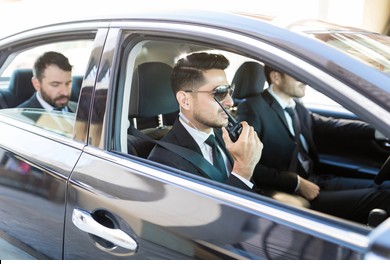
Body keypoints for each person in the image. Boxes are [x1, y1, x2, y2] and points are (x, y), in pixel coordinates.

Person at [236, 64, 390, 224]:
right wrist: (296, 182)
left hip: (316, 179)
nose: (305, 81)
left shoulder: (295, 107)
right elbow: (247, 163)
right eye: (296, 75)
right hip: (291, 190)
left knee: (384, 186)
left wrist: (379, 130)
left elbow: (332, 125)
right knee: (383, 198)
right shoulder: (252, 109)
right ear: (276, 77)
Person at [148, 52, 263, 192]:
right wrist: (243, 170)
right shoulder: (164, 162)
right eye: (220, 93)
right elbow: (205, 214)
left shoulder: (226, 135)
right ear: (185, 101)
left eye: (229, 91)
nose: (230, 102)